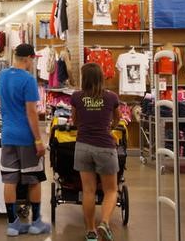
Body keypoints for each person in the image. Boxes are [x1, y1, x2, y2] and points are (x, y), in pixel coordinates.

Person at [0, 43, 51, 237]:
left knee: (9, 180)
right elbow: (31, 113)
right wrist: (38, 140)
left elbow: (3, 105)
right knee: (34, 179)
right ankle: (36, 222)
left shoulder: (2, 76)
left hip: (8, 135)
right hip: (26, 137)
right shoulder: (28, 80)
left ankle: (13, 224)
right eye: (32, 59)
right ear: (28, 58)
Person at [71, 63, 121, 241]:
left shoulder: (77, 97)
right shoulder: (111, 97)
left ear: (84, 78)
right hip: (105, 147)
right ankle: (105, 222)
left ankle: (90, 231)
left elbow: (74, 121)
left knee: (88, 191)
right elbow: (117, 119)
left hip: (83, 146)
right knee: (111, 190)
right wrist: (110, 128)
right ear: (101, 77)